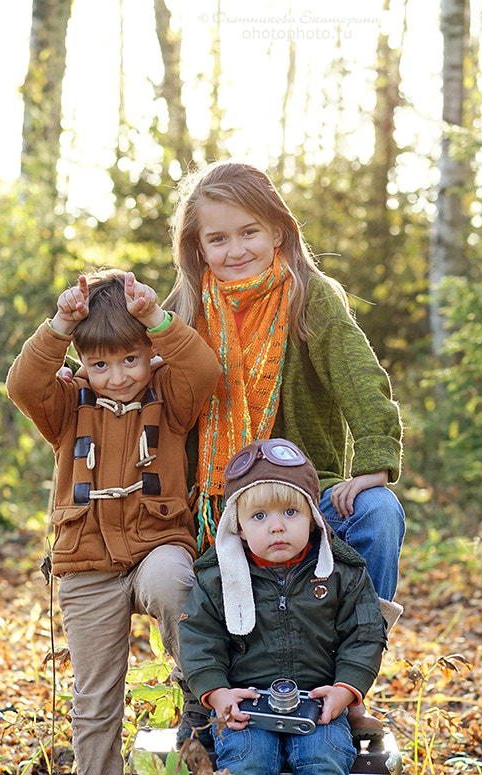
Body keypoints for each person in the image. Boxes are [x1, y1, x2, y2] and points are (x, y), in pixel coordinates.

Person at [164, 160, 405, 739]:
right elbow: (136, 385)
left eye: (249, 231)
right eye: (217, 238)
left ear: (278, 230)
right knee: (170, 565)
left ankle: (347, 681)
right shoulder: (184, 310)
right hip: (218, 499)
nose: (235, 248)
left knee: (379, 514)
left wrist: (372, 463)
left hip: (307, 495)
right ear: (197, 247)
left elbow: (360, 376)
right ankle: (206, 694)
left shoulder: (310, 297)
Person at [6, 269, 220, 775]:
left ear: (150, 355)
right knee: (96, 694)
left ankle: (199, 693)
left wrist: (156, 317)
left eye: (131, 359)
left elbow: (204, 369)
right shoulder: (67, 407)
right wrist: (59, 325)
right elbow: (24, 383)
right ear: (81, 364)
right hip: (87, 565)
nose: (119, 376)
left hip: (157, 548)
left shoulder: (169, 399)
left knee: (176, 581)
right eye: (101, 365)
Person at [178, 438, 396, 775]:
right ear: (237, 523)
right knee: (248, 764)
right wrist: (216, 694)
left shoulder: (340, 571)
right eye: (259, 518)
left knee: (324, 759)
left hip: (318, 701)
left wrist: (347, 689)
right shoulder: (218, 577)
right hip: (248, 704)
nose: (276, 527)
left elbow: (365, 632)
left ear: (313, 518)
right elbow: (199, 641)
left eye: (290, 515)